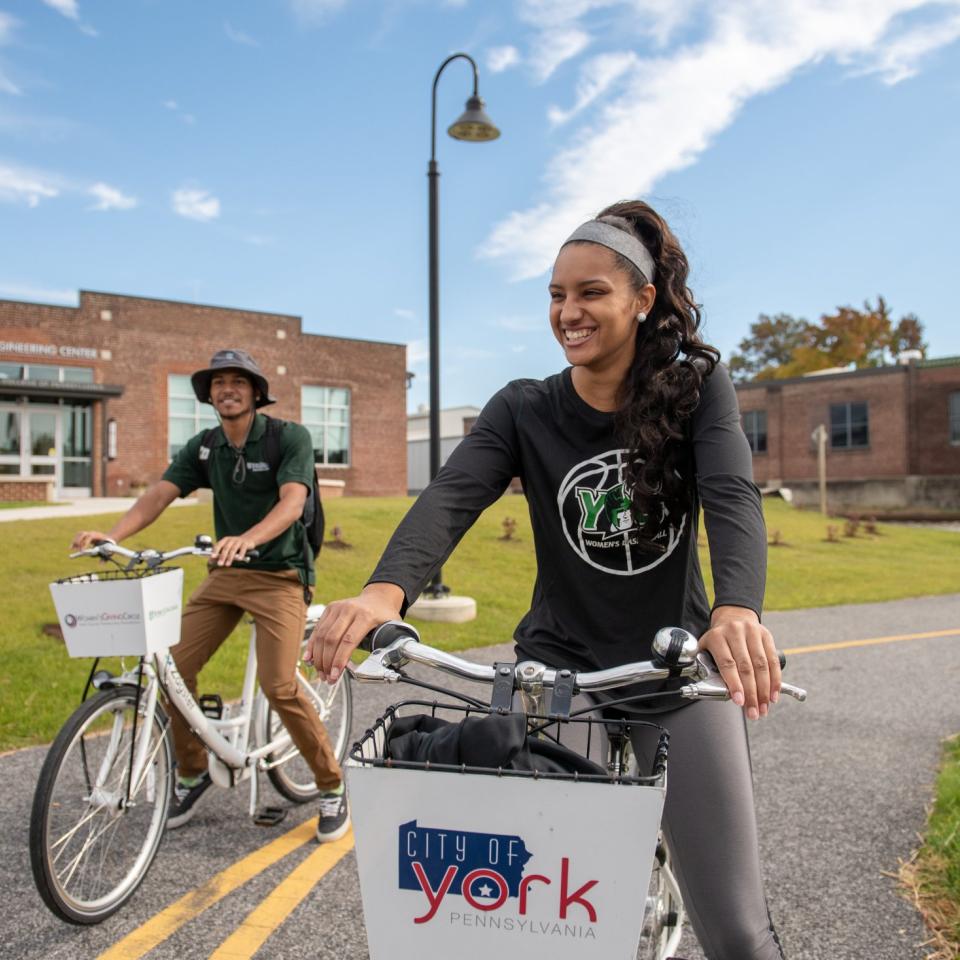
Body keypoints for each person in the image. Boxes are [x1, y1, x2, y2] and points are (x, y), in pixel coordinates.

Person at [307, 201, 788, 957]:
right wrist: (383, 592)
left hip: (674, 666)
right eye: (556, 295)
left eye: (591, 292)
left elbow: (732, 497)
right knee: (542, 921)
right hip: (559, 667)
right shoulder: (523, 408)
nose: (569, 311)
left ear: (642, 299)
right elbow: (450, 497)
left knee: (735, 929)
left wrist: (736, 610)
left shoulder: (697, 388)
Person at [72, 349, 348, 843]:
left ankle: (331, 786)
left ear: (256, 392)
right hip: (225, 573)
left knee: (279, 684)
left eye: (238, 382)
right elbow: (159, 493)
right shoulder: (204, 446)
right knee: (171, 665)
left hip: (282, 574)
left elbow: (293, 502)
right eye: (218, 382)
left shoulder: (289, 438)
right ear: (208, 395)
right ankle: (193, 773)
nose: (227, 389)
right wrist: (112, 537)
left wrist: (250, 537)